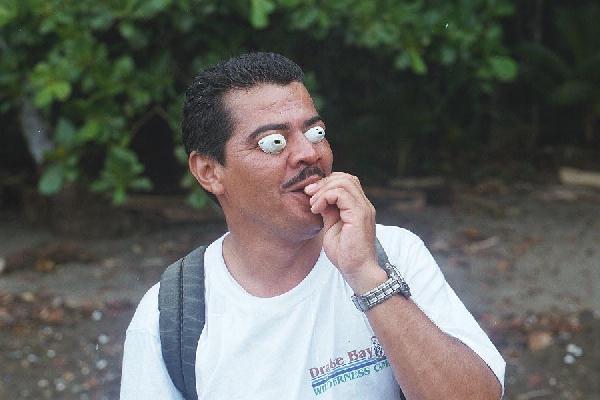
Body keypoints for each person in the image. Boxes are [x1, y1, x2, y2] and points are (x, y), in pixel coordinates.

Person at [120, 52, 505, 399]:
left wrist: (367, 277)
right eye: (273, 142)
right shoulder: (173, 315)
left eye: (314, 131)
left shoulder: (393, 254)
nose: (307, 152)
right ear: (209, 171)